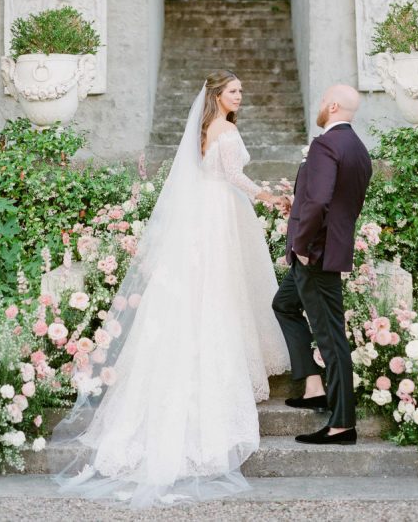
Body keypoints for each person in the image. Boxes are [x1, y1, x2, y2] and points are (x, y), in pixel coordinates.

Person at [51, 70, 289, 507]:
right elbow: (234, 177)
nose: (239, 96)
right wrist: (272, 198)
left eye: (240, 91)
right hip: (221, 214)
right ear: (217, 95)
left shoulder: (203, 131)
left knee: (208, 290)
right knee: (223, 291)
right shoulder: (226, 130)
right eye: (233, 91)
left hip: (205, 213)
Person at [272, 84, 372, 445]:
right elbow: (340, 202)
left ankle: (342, 423)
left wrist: (301, 244)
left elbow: (319, 202)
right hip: (328, 250)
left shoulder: (326, 144)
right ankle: (313, 385)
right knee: (283, 304)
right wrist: (297, 206)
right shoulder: (358, 149)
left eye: (321, 100)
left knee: (331, 338)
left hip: (313, 255)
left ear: (331, 106)